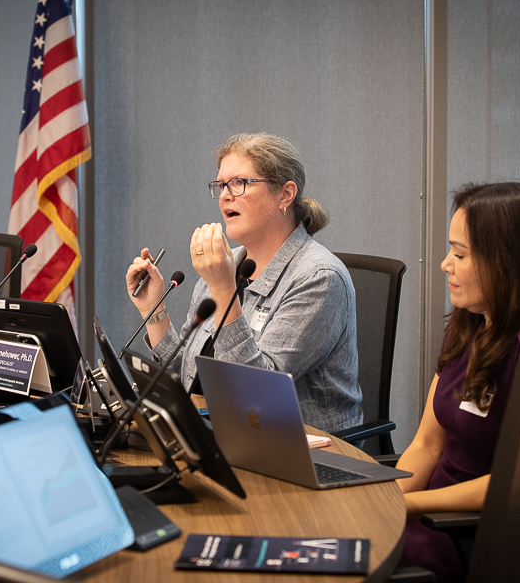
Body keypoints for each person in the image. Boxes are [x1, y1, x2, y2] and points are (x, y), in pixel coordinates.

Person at [396, 182, 520, 581]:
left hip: (476, 536)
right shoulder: (469, 324)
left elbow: (519, 488)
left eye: (460, 254)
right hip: (430, 515)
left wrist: (406, 507)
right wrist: (388, 502)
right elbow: (427, 443)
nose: (446, 264)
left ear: (508, 261)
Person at [125, 133, 361, 435]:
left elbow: (256, 396)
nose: (225, 195)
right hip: (222, 431)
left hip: (298, 448)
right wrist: (153, 310)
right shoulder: (228, 263)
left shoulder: (319, 277)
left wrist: (224, 290)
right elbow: (187, 375)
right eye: (221, 185)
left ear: (286, 194)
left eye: (240, 183)